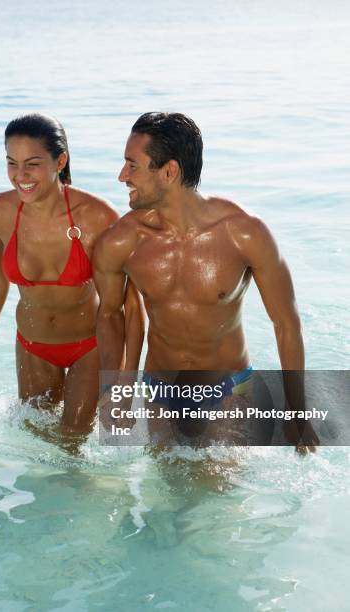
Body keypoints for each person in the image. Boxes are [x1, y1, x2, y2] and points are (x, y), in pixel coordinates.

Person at [94, 112, 318, 452]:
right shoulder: (121, 242)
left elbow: (286, 323)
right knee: (165, 495)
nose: (122, 176)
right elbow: (111, 315)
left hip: (228, 389)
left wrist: (297, 411)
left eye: (132, 166)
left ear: (169, 171)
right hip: (160, 390)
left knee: (217, 498)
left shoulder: (244, 233)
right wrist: (118, 390)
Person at [0, 113, 143, 435]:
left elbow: (127, 304)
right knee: (36, 442)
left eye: (32, 164)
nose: (20, 176)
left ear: (61, 161)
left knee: (72, 443)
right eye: (11, 163)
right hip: (32, 345)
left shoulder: (96, 217)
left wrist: (122, 386)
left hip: (88, 346)